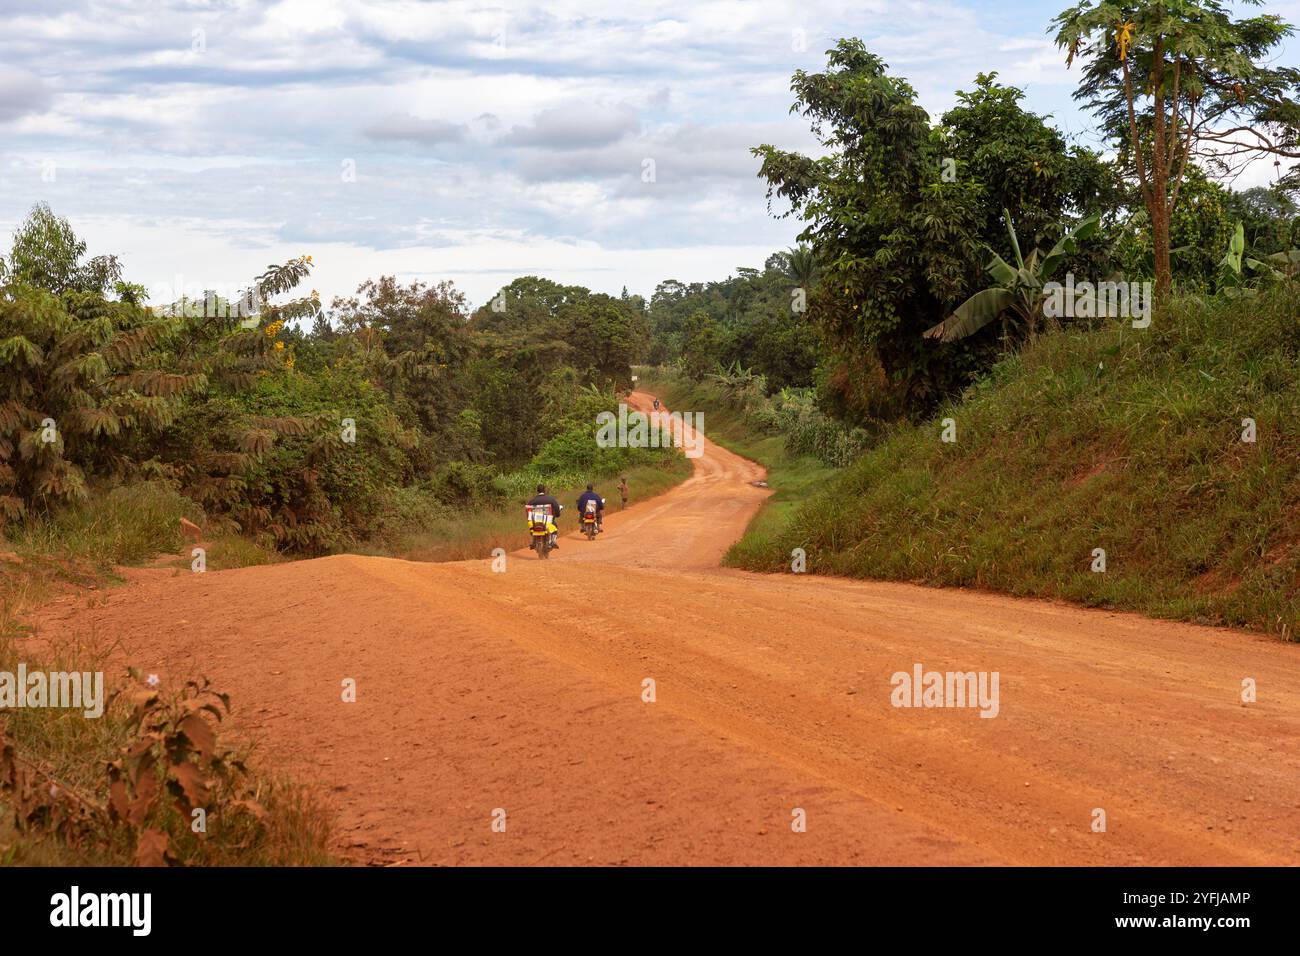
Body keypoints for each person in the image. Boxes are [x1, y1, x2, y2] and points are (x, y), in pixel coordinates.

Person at [526, 484, 563, 549]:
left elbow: (528, 511)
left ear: (537, 491)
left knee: (532, 528)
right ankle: (553, 542)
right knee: (555, 527)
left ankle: (533, 541)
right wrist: (557, 515)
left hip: (536, 522)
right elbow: (557, 508)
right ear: (544, 490)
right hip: (548, 522)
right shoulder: (551, 499)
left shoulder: (532, 501)